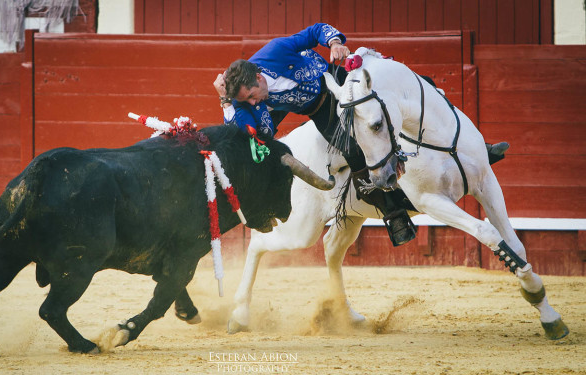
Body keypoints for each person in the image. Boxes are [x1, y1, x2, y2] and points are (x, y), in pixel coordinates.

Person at [214, 23, 507, 246]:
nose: (254, 102)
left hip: (334, 79)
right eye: (247, 101)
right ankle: (394, 215)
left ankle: (477, 148)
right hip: (319, 109)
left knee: (418, 87)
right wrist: (227, 101)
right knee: (356, 152)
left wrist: (335, 42)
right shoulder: (245, 101)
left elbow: (315, 31)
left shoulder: (274, 52)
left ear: (258, 76)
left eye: (253, 95)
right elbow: (242, 134)